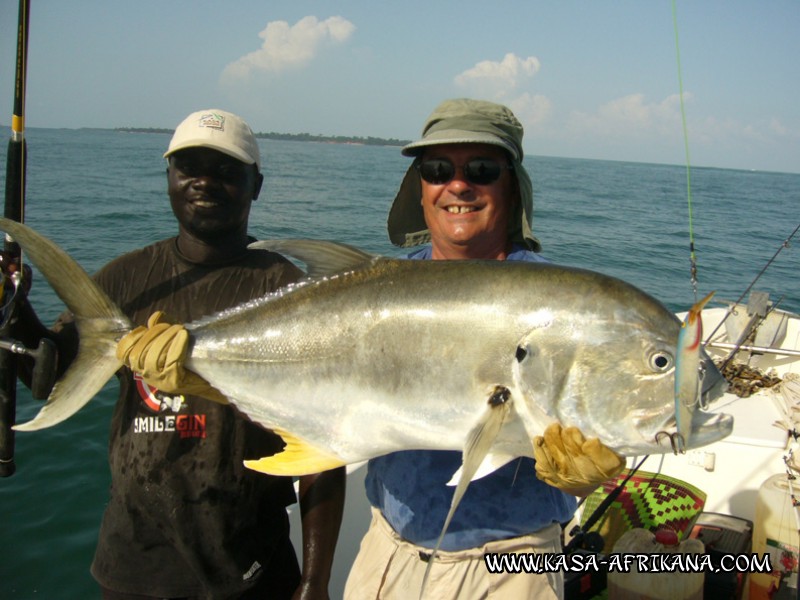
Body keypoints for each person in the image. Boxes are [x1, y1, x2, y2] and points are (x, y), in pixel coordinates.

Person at [11, 109, 344, 599]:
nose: (204, 182)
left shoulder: (287, 289)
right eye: (189, 167)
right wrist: (13, 312)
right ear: (169, 177)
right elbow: (48, 376)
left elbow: (324, 444)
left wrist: (315, 581)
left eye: (227, 171)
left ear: (257, 185)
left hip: (252, 564)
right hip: (133, 562)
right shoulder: (126, 279)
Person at [343, 98, 626, 599]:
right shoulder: (371, 287)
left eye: (481, 169)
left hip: (511, 571)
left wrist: (586, 477)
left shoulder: (562, 306)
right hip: (385, 557)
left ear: (512, 185)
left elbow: (602, 418)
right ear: (420, 186)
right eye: (436, 169)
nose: (458, 184)